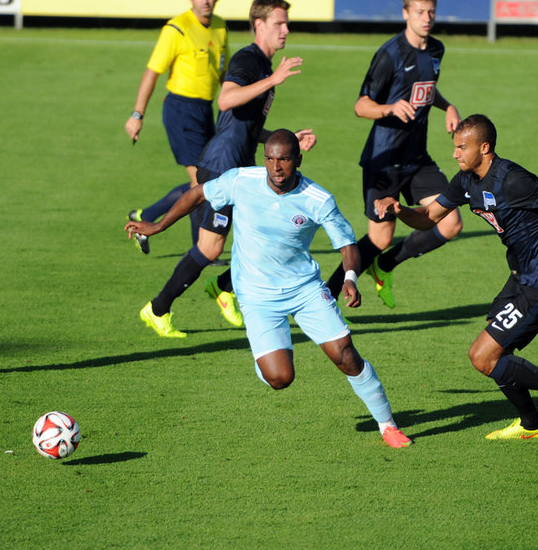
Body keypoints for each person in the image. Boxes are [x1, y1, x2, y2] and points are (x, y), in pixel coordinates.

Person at [127, 130, 413, 448]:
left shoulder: (317, 198)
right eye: (270, 159)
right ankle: (264, 351)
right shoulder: (241, 180)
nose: (276, 167)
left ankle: (388, 425)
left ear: (298, 160)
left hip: (304, 289)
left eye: (284, 159)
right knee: (280, 378)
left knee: (345, 355)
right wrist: (158, 225)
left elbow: (347, 244)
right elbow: (197, 194)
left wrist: (349, 278)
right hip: (256, 294)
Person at [375, 114, 538, 442]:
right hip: (522, 275)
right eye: (454, 147)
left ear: (484, 148)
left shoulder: (511, 179)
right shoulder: (465, 181)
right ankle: (531, 425)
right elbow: (428, 218)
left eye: (462, 147)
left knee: (483, 355)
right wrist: (400, 211)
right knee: (492, 350)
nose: (454, 154)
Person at [128, 0, 316, 337]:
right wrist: (272, 81)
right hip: (222, 166)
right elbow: (227, 99)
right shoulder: (248, 60)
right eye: (279, 23)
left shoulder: (264, 66)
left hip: (239, 166)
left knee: (265, 232)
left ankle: (221, 287)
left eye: (286, 23)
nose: (286, 29)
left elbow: (249, 127)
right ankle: (159, 308)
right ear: (259, 25)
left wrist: (287, 138)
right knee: (211, 247)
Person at [325, 0, 462, 309]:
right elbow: (361, 106)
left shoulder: (437, 49)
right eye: (419, 12)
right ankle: (325, 296)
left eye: (431, 12)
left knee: (451, 222)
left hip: (417, 159)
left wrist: (448, 106)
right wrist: (389, 108)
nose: (426, 18)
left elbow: (425, 88)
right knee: (379, 238)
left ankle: (385, 266)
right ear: (405, 13)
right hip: (383, 161)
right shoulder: (389, 55)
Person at [124, 0, 229, 254]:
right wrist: (137, 115)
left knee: (208, 178)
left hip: (205, 110)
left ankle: (145, 215)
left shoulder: (220, 26)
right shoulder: (177, 29)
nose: (205, 1)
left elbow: (223, 72)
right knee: (201, 183)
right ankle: (201, 251)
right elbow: (152, 72)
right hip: (181, 110)